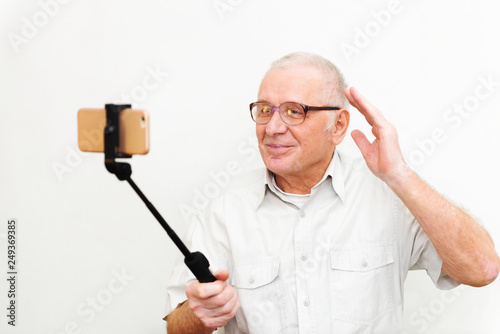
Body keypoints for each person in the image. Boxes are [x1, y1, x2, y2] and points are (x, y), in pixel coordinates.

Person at [164, 52, 500, 333]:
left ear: (338, 126)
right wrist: (200, 315)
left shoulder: (388, 196)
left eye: (295, 111)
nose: (273, 127)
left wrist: (401, 176)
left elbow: (481, 270)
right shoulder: (226, 210)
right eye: (265, 110)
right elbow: (175, 327)